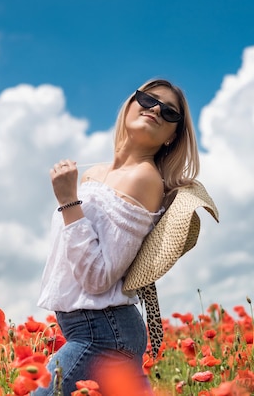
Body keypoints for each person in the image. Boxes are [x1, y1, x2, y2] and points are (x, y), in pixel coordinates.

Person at [34, 79, 200, 395]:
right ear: (130, 103)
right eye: (149, 99)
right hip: (91, 328)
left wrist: (68, 200)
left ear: (172, 136)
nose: (156, 110)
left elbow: (98, 278)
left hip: (101, 332)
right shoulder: (93, 173)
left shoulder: (144, 179)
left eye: (169, 112)